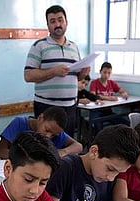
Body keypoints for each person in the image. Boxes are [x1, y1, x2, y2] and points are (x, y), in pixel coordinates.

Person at [46, 125, 139, 201]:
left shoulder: (108, 178)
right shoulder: (66, 168)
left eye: (118, 173)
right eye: (110, 169)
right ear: (94, 152)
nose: (111, 178)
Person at [24, 5, 90, 137]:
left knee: (67, 143)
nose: (57, 24)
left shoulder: (74, 47)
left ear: (66, 22)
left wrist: (84, 72)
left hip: (70, 106)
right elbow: (28, 75)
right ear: (48, 25)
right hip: (46, 106)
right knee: (46, 145)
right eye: (53, 21)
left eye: (60, 20)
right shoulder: (39, 46)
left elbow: (75, 78)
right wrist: (53, 71)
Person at [0, 106, 82, 159]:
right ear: (40, 118)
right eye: (47, 130)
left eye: (53, 135)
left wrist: (63, 152)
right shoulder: (19, 123)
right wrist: (26, 157)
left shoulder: (56, 132)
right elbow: (0, 151)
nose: (48, 136)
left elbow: (78, 146)